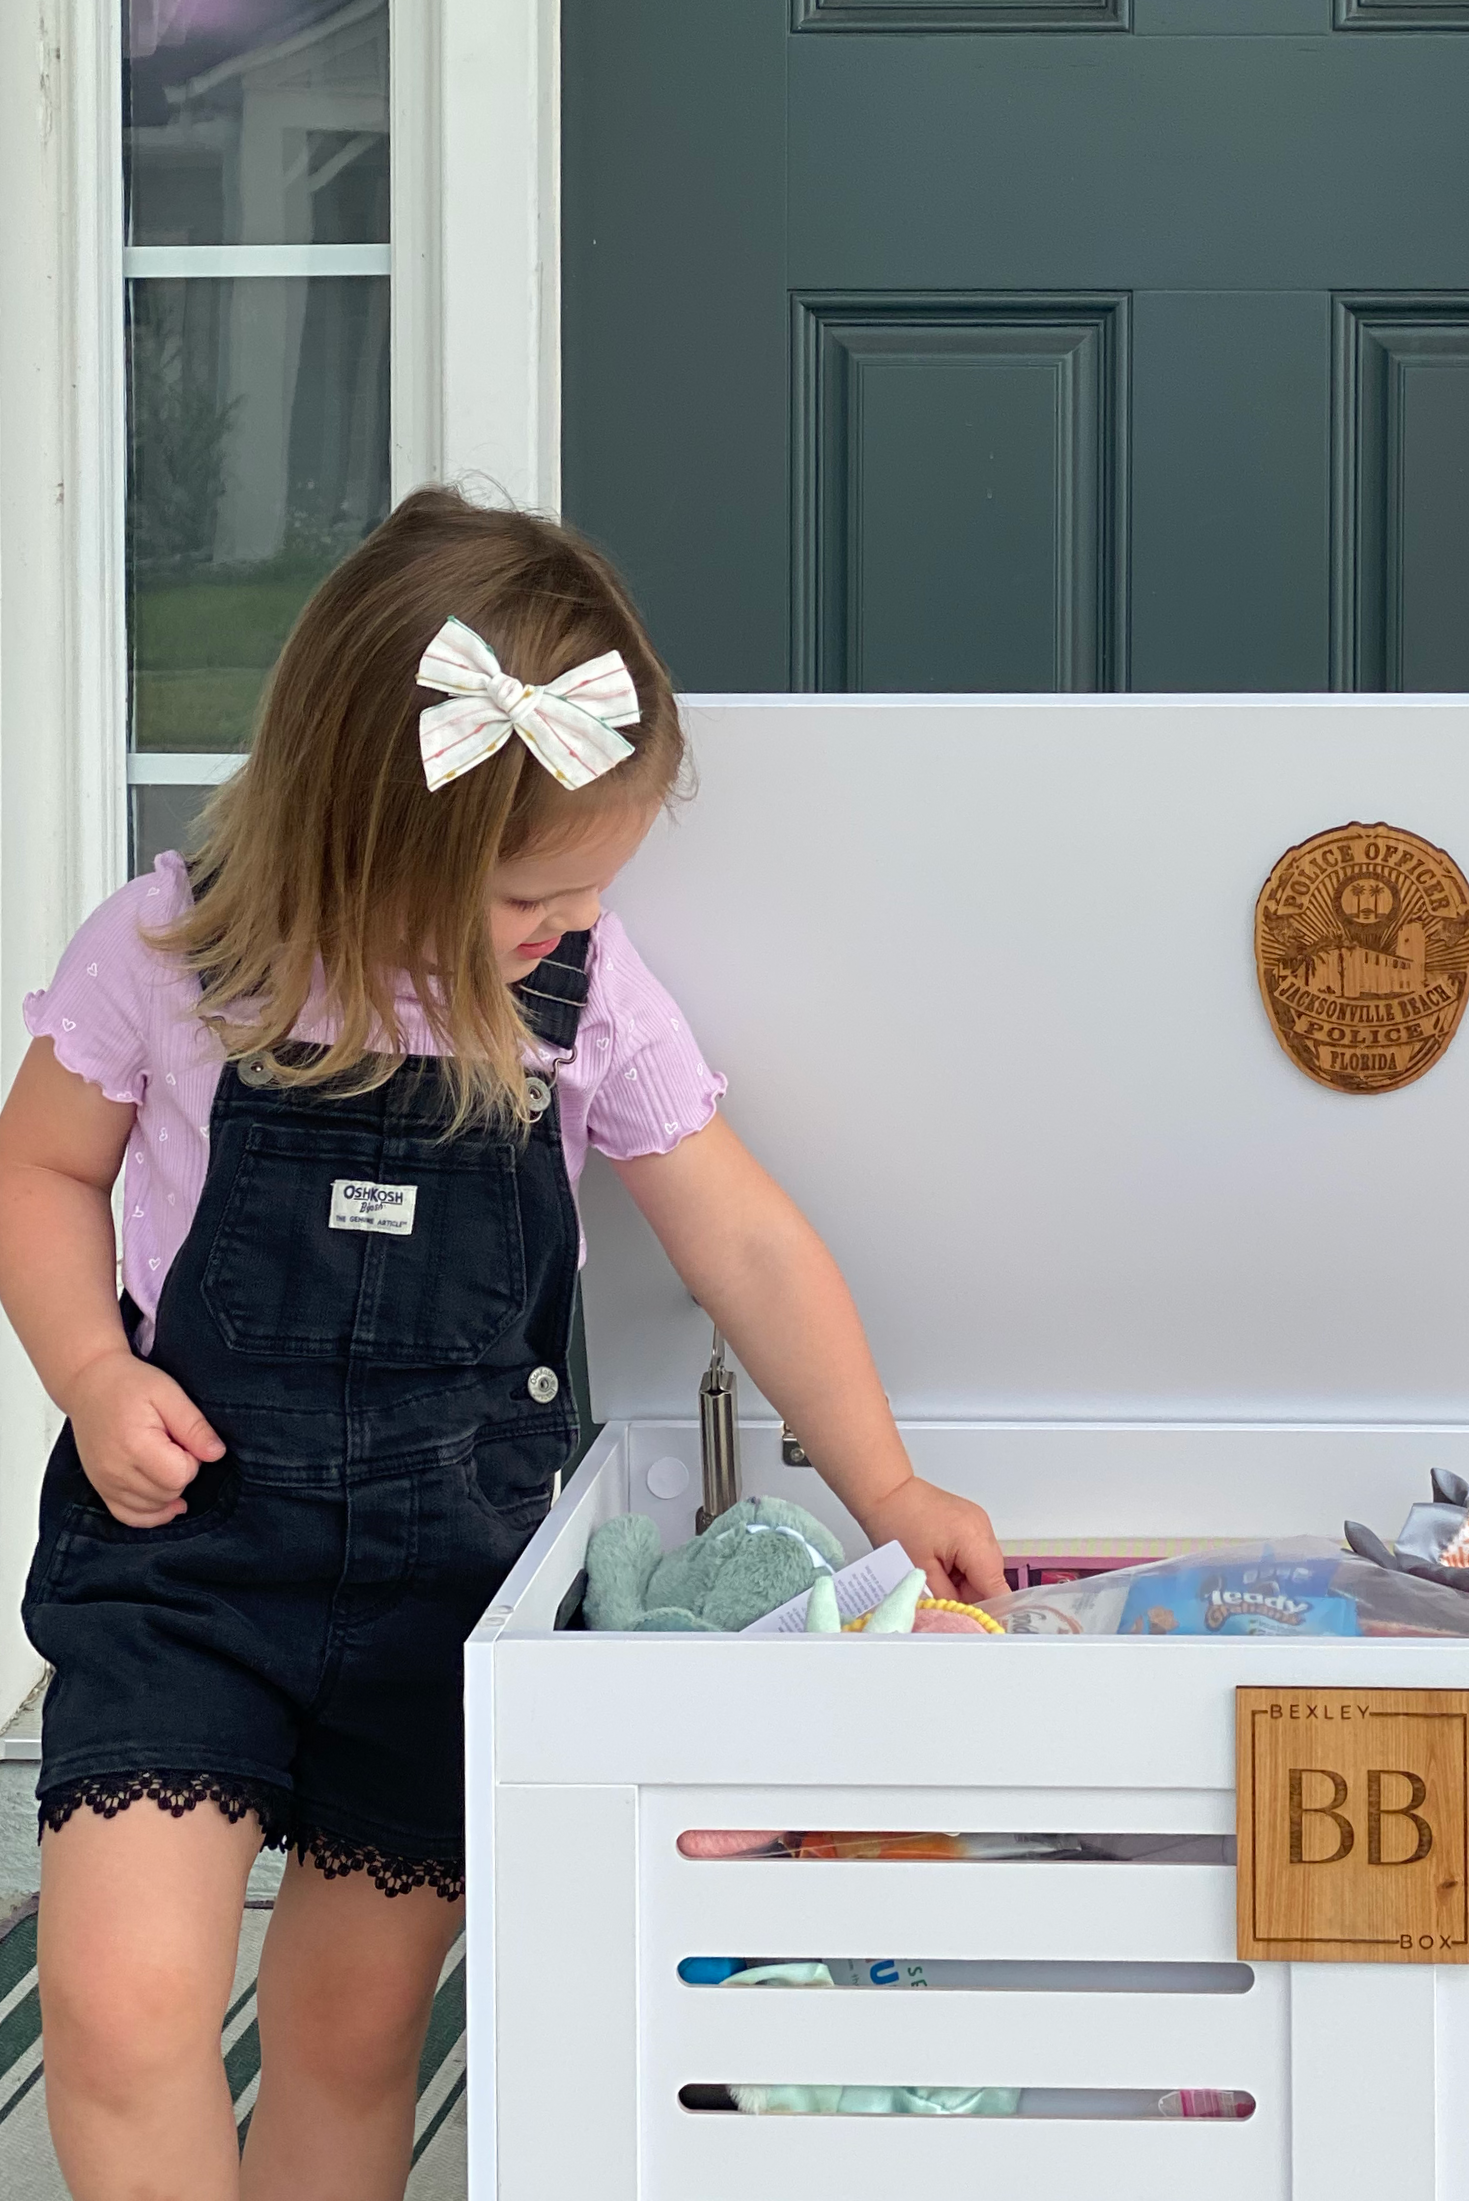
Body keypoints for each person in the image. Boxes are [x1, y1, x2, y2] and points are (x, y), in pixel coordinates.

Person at [0, 490, 1004, 2200]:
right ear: (369, 833)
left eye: (585, 894)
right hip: (191, 1565)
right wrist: (94, 1370)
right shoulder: (175, 956)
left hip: (442, 1591)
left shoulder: (582, 1005)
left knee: (346, 2033)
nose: (563, 928)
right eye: (531, 895)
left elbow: (744, 1239)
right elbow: (42, 1164)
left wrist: (884, 1478)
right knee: (120, 2002)